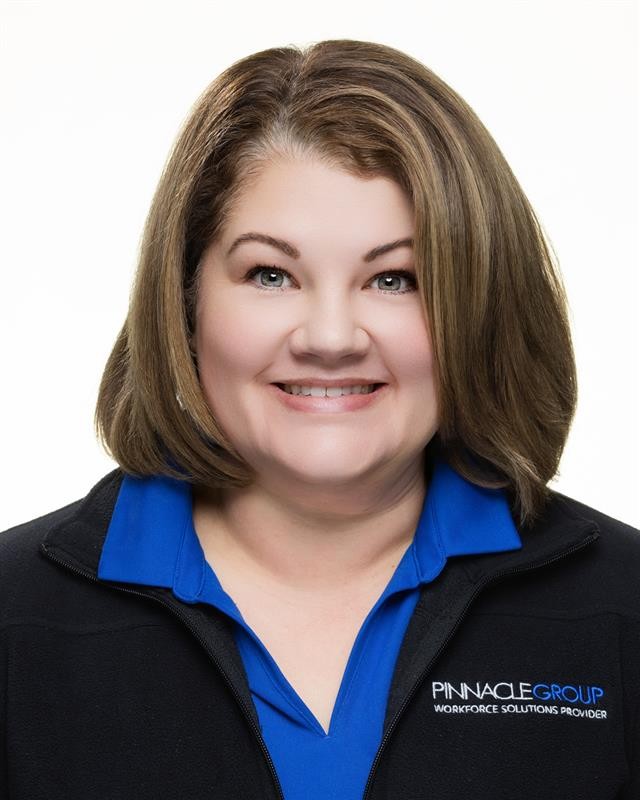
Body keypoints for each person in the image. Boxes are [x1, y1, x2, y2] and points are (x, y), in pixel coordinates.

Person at [0, 38, 638, 800]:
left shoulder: (623, 607)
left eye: (395, 279)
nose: (330, 338)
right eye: (271, 274)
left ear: (477, 306)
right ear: (186, 301)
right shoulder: (15, 617)